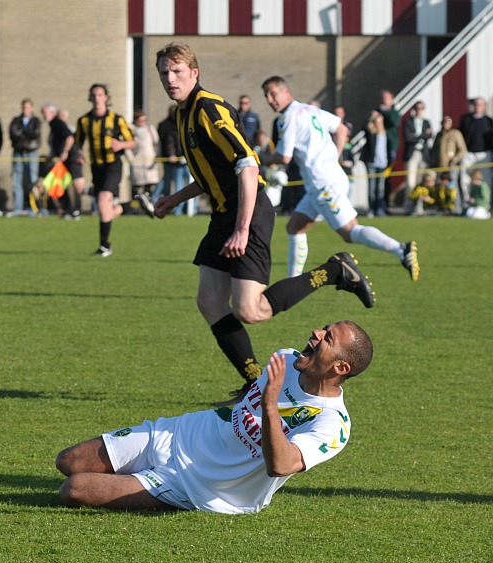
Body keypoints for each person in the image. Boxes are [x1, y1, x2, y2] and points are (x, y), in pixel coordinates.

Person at [153, 43, 375, 398]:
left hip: (249, 212)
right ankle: (254, 382)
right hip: (225, 213)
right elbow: (213, 172)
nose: (170, 78)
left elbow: (247, 163)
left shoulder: (208, 108)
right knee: (209, 302)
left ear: (194, 73)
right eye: (164, 72)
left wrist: (242, 228)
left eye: (177, 71)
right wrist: (172, 200)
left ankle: (335, 271)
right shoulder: (182, 114)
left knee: (250, 310)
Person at [56, 321, 373, 514]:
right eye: (324, 327)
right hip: (181, 433)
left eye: (328, 337)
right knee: (68, 461)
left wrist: (271, 406)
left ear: (341, 368)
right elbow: (246, 401)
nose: (316, 332)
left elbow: (281, 465)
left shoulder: (332, 424)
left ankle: (150, 486)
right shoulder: (285, 359)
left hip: (202, 485)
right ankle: (138, 474)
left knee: (75, 489)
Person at [261, 76, 419, 282]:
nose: (270, 99)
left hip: (323, 184)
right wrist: (335, 155)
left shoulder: (288, 118)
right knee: (295, 226)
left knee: (350, 231)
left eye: (273, 93)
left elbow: (284, 157)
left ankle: (401, 249)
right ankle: (293, 282)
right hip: (330, 178)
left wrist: (261, 158)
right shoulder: (310, 109)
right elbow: (342, 129)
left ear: (286, 92)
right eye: (266, 96)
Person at [71, 83, 148, 256]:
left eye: (100, 94)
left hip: (113, 165)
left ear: (106, 98)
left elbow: (133, 142)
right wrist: (78, 154)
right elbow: (77, 143)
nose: (97, 98)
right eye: (94, 95)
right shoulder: (83, 121)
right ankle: (133, 204)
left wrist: (121, 144)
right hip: (96, 166)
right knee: (105, 208)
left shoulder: (116, 119)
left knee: (103, 199)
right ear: (90, 98)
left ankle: (105, 246)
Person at [41, 102, 82, 220]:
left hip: (70, 157)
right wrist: (52, 155)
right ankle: (69, 210)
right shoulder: (53, 125)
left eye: (45, 113)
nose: (43, 115)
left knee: (75, 184)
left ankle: (75, 211)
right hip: (64, 158)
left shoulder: (58, 123)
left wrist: (65, 151)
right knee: (63, 184)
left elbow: (69, 137)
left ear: (52, 112)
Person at [157, 104, 194, 215]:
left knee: (193, 184)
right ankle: (178, 209)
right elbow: (169, 143)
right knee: (176, 184)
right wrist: (172, 154)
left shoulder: (186, 123)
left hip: (187, 159)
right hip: (176, 160)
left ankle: (191, 209)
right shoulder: (169, 126)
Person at [9, 98, 42, 216]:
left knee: (33, 180)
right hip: (18, 152)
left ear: (32, 108)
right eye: (24, 107)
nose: (26, 109)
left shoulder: (36, 121)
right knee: (17, 180)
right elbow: (13, 134)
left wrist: (23, 132)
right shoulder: (16, 121)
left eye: (28, 107)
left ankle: (34, 208)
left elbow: (35, 133)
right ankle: (18, 208)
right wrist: (26, 133)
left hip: (32, 152)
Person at [459, 96, 493, 207]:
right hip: (469, 154)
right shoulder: (466, 119)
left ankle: (486, 204)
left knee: (486, 179)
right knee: (465, 179)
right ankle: (467, 203)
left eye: (480, 105)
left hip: (485, 153)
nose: (478, 107)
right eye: (476, 104)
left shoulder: (489, 121)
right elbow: (460, 137)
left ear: (484, 106)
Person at [430, 114, 466, 214]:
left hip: (451, 166)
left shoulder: (455, 133)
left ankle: (457, 209)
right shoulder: (439, 135)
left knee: (453, 188)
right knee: (440, 188)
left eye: (448, 121)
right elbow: (434, 150)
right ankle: (443, 208)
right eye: (444, 122)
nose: (446, 124)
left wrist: (454, 160)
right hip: (441, 166)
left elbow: (462, 150)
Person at [128, 109, 161, 209]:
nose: (143, 123)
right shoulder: (130, 129)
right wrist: (131, 160)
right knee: (136, 187)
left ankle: (149, 206)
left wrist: (156, 157)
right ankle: (136, 207)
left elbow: (157, 143)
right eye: (141, 120)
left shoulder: (150, 129)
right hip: (136, 162)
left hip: (149, 162)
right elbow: (127, 147)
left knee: (150, 186)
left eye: (144, 120)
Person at [359, 111, 388, 218]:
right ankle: (371, 209)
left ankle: (379, 209)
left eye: (380, 122)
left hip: (382, 163)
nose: (379, 124)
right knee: (371, 188)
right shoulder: (371, 133)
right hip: (372, 163)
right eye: (377, 122)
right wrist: (372, 115)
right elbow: (364, 125)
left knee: (380, 188)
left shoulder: (385, 134)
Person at [402, 101, 432, 199]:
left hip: (423, 153)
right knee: (410, 181)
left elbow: (429, 135)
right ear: (414, 110)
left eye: (421, 108)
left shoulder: (426, 122)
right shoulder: (408, 122)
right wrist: (423, 135)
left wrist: (416, 135)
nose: (419, 111)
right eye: (417, 108)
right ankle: (408, 205)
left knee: (421, 181)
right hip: (412, 153)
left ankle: (418, 205)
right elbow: (407, 137)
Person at [377, 89, 401, 208]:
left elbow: (393, 122)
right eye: (383, 97)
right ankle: (376, 205)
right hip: (378, 149)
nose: (384, 100)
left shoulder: (394, 112)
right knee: (378, 177)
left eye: (387, 98)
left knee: (388, 177)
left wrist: (385, 112)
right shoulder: (377, 111)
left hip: (390, 146)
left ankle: (385, 204)